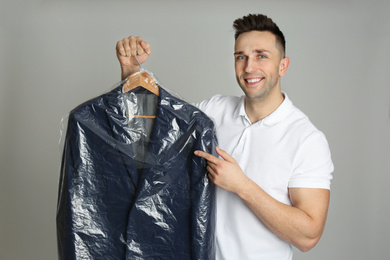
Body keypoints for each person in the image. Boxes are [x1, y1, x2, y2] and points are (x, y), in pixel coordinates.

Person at [115, 13, 334, 260]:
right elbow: (151, 129)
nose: (249, 67)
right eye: (241, 57)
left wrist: (242, 186)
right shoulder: (213, 111)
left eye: (261, 56)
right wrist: (132, 72)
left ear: (283, 65)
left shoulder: (306, 140)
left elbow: (308, 236)